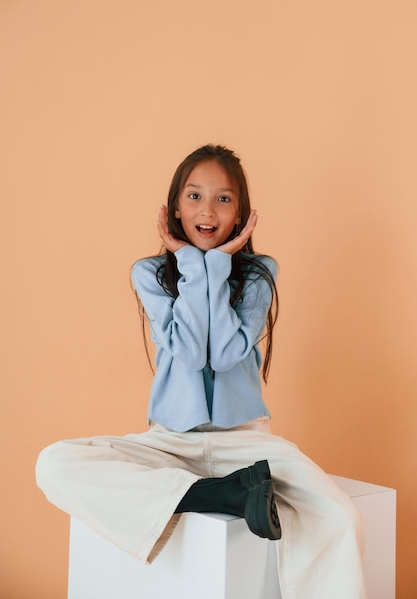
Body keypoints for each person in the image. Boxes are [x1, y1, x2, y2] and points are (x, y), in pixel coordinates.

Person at [36, 145, 368, 598]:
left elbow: (228, 351)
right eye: (194, 196)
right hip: (169, 443)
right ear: (175, 207)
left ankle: (230, 489)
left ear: (241, 215)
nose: (207, 210)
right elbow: (190, 353)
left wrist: (216, 264)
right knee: (54, 462)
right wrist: (193, 263)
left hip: (247, 443)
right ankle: (219, 495)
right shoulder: (150, 273)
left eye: (223, 199)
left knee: (340, 516)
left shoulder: (257, 274)